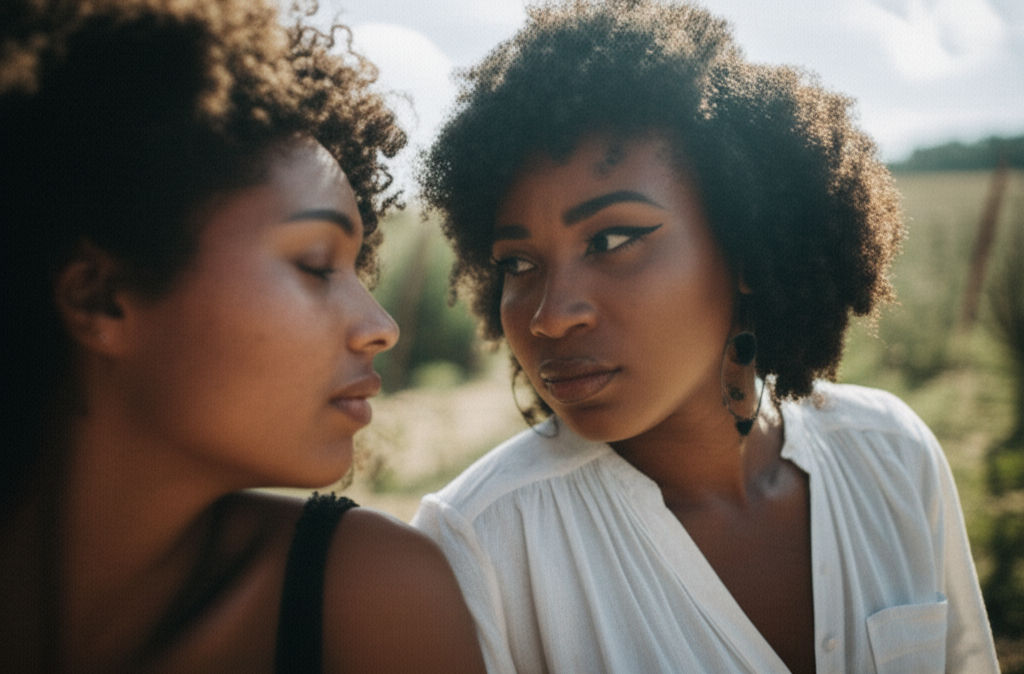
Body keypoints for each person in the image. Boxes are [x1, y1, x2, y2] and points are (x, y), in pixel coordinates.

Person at [412, 1, 999, 671]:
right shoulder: (477, 547)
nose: (550, 314)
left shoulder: (892, 456)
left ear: (746, 248)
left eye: (612, 240)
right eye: (517, 264)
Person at [0, 0, 485, 671]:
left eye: (358, 266)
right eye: (316, 264)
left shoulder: (372, 600)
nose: (382, 327)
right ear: (101, 298)